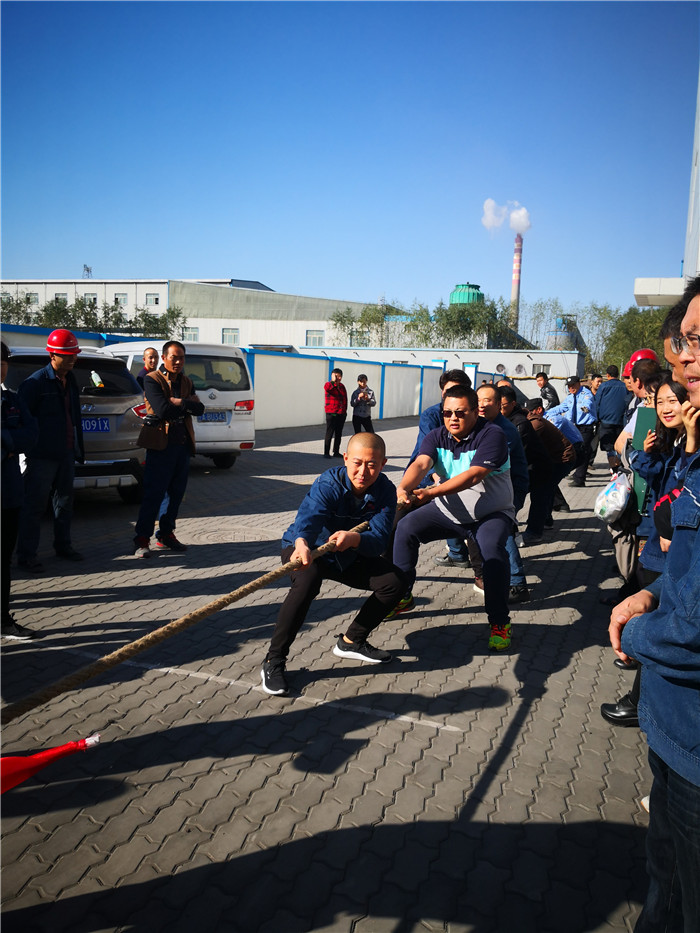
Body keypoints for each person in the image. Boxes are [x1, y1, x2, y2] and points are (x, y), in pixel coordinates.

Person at [608, 274, 700, 933]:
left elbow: (690, 629)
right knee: (663, 881)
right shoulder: (681, 448)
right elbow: (683, 569)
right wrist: (648, 593)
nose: (686, 357)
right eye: (684, 340)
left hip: (694, 741)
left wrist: (632, 633)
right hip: (673, 729)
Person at [260, 433, 407, 696]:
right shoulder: (328, 483)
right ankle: (274, 660)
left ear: (383, 464)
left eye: (372, 465)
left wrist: (355, 539)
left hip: (347, 552)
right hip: (307, 550)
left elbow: (379, 541)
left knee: (394, 582)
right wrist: (302, 543)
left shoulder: (385, 491)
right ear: (346, 459)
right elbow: (308, 519)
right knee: (307, 583)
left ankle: (352, 641)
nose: (363, 472)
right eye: (357, 463)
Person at [392, 386, 514, 651]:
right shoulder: (436, 436)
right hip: (449, 512)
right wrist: (403, 488)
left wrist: (431, 492)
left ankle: (499, 622)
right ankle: (401, 595)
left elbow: (473, 475)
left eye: (460, 412)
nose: (453, 418)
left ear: (475, 412)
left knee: (492, 554)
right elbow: (421, 464)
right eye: (447, 413)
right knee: (405, 528)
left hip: (490, 514)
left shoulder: (492, 434)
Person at [16, 328, 85, 572]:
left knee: (64, 503)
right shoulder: (35, 383)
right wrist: (30, 445)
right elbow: (23, 419)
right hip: (42, 456)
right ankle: (26, 556)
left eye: (74, 354)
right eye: (67, 355)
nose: (72, 359)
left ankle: (63, 546)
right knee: (35, 506)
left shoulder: (71, 379)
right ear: (52, 355)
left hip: (66, 452)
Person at [133, 340, 204, 557]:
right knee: (154, 494)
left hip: (182, 445)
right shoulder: (152, 379)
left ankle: (165, 534)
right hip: (160, 445)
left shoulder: (186, 381)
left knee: (176, 494)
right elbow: (162, 410)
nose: (178, 362)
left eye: (182, 358)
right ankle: (142, 539)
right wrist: (186, 404)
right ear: (164, 358)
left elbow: (200, 409)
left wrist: (180, 402)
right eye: (174, 357)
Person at [407, 369, 473, 570]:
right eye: (447, 391)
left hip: (455, 475)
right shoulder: (431, 415)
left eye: (457, 390)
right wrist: (437, 479)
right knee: (403, 525)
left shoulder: (475, 417)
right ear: (442, 392)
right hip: (427, 476)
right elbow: (425, 455)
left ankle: (460, 555)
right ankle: (398, 575)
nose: (453, 417)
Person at [1, 342, 42, 640]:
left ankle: (3, 620)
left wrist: (5, 442)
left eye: (2, 362)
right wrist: (11, 441)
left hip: (9, 494)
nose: (0, 368)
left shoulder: (11, 400)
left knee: (4, 562)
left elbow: (32, 434)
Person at [477, 384, 530, 603]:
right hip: (492, 487)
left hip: (511, 488)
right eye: (478, 400)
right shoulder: (482, 424)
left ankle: (517, 584)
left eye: (487, 401)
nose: (482, 405)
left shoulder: (503, 430)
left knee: (502, 528)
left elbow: (490, 463)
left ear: (499, 404)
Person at [499, 385, 554, 546]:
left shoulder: (519, 423)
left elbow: (515, 454)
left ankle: (533, 533)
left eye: (502, 406)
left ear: (512, 404)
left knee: (537, 500)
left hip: (538, 468)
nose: (500, 409)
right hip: (527, 467)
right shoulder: (505, 420)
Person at [523, 398, 577, 526]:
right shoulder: (532, 421)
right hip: (554, 458)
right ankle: (548, 517)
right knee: (545, 486)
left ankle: (540, 523)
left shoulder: (536, 423)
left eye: (529, 411)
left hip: (562, 459)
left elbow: (525, 444)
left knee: (542, 489)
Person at [546, 375, 597, 487]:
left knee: (583, 450)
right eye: (569, 386)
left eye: (573, 385)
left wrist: (584, 409)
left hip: (586, 427)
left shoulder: (586, 394)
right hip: (575, 427)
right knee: (578, 449)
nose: (571, 388)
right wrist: (545, 413)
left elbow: (587, 405)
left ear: (579, 384)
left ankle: (579, 479)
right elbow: (561, 408)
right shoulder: (570, 397)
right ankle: (577, 473)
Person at [595, 365, 632, 472]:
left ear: (607, 375)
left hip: (606, 422)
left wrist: (597, 418)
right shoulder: (624, 386)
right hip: (621, 422)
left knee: (609, 448)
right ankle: (620, 467)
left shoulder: (603, 386)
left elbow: (597, 403)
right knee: (620, 446)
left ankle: (615, 469)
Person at [323, 368, 347, 458]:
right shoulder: (328, 384)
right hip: (331, 413)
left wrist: (344, 412)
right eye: (336, 376)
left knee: (338, 433)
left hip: (341, 413)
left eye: (339, 376)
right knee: (329, 432)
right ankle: (326, 452)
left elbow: (345, 399)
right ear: (332, 376)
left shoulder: (342, 386)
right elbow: (328, 388)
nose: (338, 378)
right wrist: (333, 381)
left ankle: (336, 451)